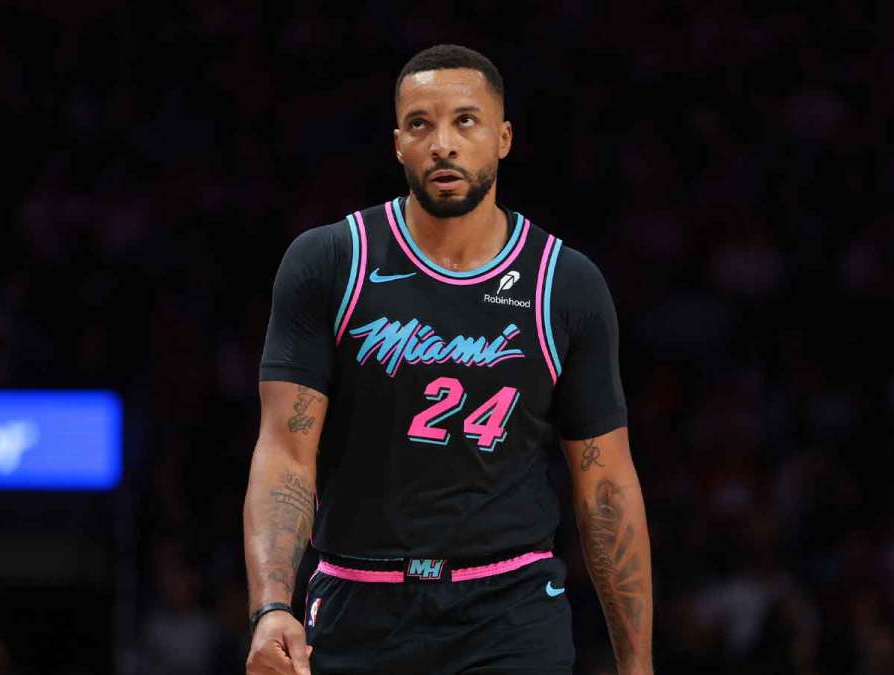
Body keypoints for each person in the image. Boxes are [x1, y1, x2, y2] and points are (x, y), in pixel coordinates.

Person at [244, 44, 653, 675]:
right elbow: (285, 453)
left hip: (510, 609)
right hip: (358, 602)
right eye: (420, 124)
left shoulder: (565, 284)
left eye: (465, 121)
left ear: (503, 138)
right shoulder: (329, 262)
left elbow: (605, 487)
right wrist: (272, 606)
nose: (443, 144)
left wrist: (637, 664)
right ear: (397, 145)